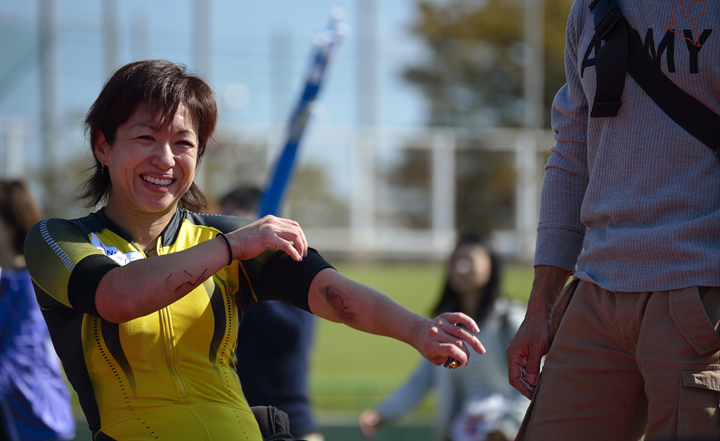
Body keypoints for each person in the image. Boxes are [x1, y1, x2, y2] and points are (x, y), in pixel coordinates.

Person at [23, 59, 485, 441]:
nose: (165, 159)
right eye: (146, 138)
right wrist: (231, 247)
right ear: (103, 146)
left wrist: (418, 329)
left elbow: (330, 292)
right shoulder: (56, 239)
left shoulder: (223, 237)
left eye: (184, 143)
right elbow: (117, 297)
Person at [505, 0, 720, 439]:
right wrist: (540, 306)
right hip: (595, 293)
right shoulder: (592, 2)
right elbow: (570, 156)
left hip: (701, 293)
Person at [359, 233, 528, 441]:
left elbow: (533, 382)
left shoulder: (510, 320)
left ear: (491, 266)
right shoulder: (443, 329)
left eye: (470, 260)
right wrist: (382, 413)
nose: (461, 268)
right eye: (456, 260)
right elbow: (420, 381)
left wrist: (509, 426)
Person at [220, 185, 323, 441]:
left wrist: (253, 289)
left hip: (292, 424)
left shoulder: (290, 263)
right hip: (243, 422)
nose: (228, 231)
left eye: (235, 220)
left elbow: (294, 334)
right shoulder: (225, 274)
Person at [0, 179, 76, 441]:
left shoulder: (32, 286)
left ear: (9, 226)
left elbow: (16, 356)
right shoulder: (6, 284)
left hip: (40, 427)